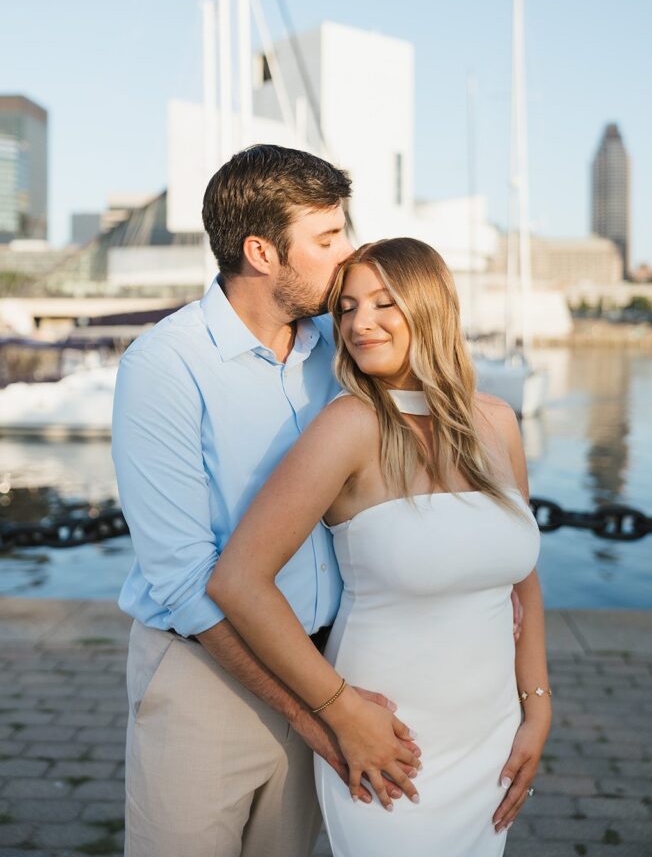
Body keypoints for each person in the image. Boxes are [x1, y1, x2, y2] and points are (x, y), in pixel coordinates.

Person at [112, 145, 425, 857]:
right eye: (325, 239)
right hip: (204, 677)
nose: (346, 254)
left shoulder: (340, 349)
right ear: (261, 251)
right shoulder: (165, 366)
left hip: (328, 662)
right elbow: (186, 581)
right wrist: (326, 717)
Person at [207, 237, 551, 857]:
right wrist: (339, 712)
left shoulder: (498, 422)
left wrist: (537, 710)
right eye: (346, 307)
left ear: (431, 307)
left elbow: (522, 581)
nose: (360, 323)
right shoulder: (350, 426)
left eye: (384, 303)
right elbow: (237, 581)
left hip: (490, 736)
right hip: (391, 744)